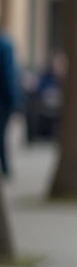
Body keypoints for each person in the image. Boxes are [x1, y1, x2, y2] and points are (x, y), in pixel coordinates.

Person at [0, 27, 20, 176]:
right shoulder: (5, 45)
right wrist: (15, 101)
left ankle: (5, 166)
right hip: (3, 100)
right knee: (2, 134)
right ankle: (5, 167)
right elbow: (9, 75)